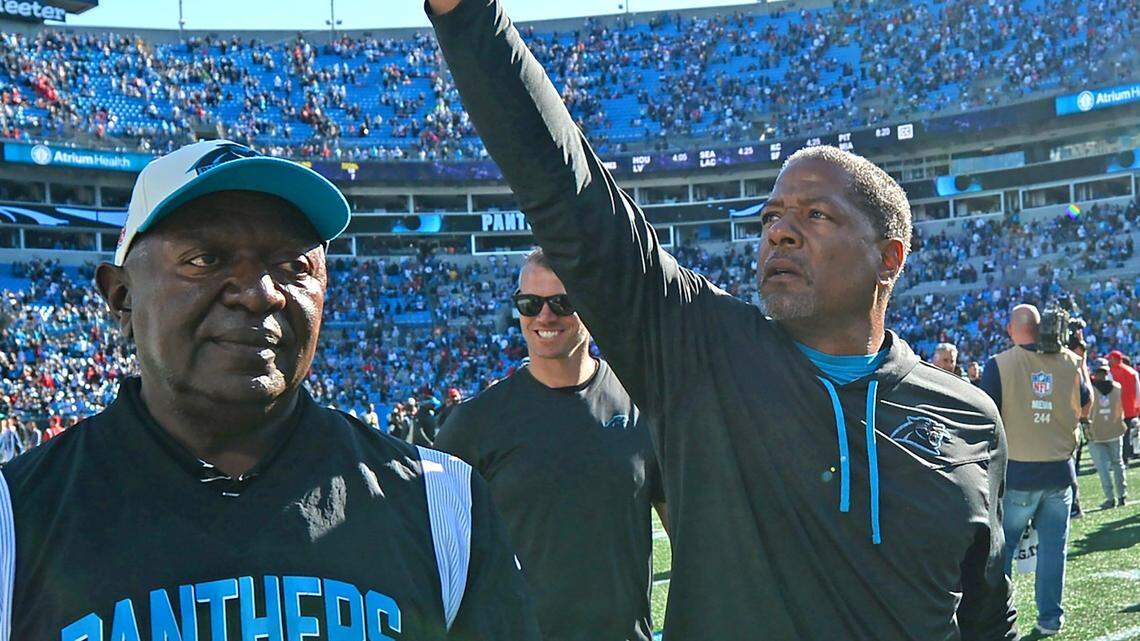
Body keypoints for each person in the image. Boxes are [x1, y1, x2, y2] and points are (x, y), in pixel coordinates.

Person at [427, 1, 1017, 639]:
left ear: (889, 256)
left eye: (815, 215)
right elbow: (573, 202)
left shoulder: (970, 418)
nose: (780, 233)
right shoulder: (704, 355)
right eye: (770, 218)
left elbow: (987, 614)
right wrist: (467, 17)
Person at [0, 139, 540, 640]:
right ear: (120, 298)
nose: (259, 295)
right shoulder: (14, 525)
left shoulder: (443, 507)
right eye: (204, 260)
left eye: (291, 265)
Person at [435, 249, 666, 641]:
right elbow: (433, 551)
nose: (545, 316)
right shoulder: (476, 423)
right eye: (530, 303)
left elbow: (686, 535)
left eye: (563, 302)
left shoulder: (643, 404)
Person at [980, 304, 1089, 636]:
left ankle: (999, 619)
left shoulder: (998, 364)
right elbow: (1086, 407)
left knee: (1003, 551)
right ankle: (1050, 619)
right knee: (1053, 552)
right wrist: (1080, 358)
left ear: (1013, 328)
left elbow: (987, 418)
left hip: (1018, 474)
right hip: (1059, 474)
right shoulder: (1070, 362)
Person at [1086, 358, 1127, 508]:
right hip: (1115, 430)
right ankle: (1122, 495)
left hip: (1096, 432)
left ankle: (1110, 498)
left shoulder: (1090, 389)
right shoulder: (1117, 387)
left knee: (1103, 468)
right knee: (1118, 464)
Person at [1107, 350, 1139, 464]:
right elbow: (1138, 391)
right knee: (1129, 434)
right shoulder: (1132, 372)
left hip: (1116, 410)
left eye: (1110, 359)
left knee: (1117, 436)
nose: (1108, 361)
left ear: (1114, 359)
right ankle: (1130, 455)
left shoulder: (1110, 373)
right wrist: (1137, 406)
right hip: (1131, 409)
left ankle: (1122, 458)